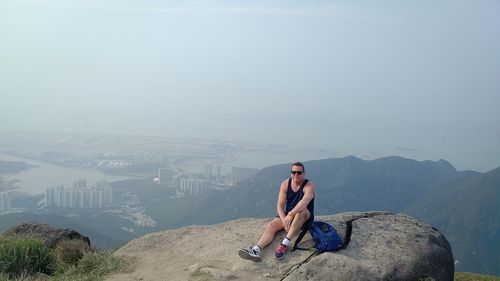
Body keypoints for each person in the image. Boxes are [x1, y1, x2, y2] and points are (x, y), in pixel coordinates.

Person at [238, 161, 315, 261]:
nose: (296, 174)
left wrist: (291, 214)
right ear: (291, 173)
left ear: (304, 174)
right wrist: (284, 220)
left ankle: (284, 244)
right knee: (272, 225)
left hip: (304, 217)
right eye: (293, 172)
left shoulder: (309, 186)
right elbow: (279, 205)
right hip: (288, 215)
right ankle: (256, 250)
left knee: (301, 211)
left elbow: (304, 202)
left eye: (299, 173)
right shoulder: (285, 184)